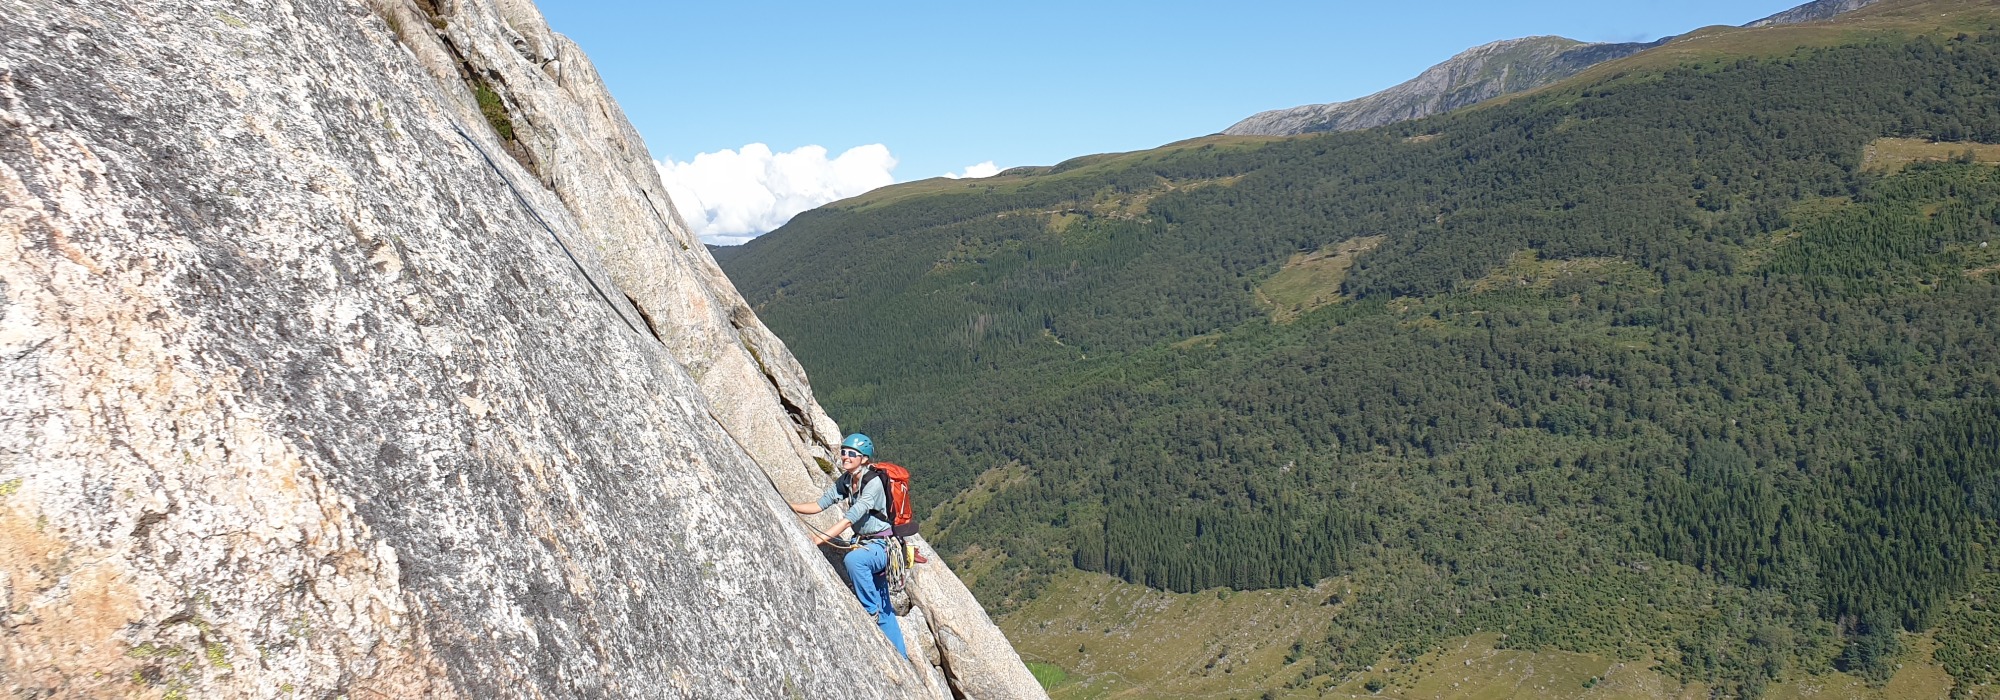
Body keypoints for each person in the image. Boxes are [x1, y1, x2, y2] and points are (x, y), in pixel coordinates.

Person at [789, 433, 908, 657]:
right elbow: (820, 504)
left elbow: (850, 518)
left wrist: (818, 540)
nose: (845, 457)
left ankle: (869, 612)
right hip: (869, 544)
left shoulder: (872, 483)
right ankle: (901, 656)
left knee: (854, 560)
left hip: (882, 547)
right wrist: (789, 505)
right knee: (885, 604)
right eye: (843, 452)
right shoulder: (847, 480)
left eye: (851, 454)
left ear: (864, 458)